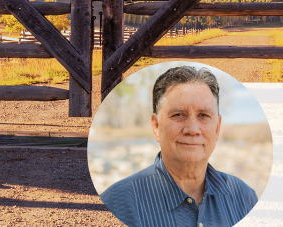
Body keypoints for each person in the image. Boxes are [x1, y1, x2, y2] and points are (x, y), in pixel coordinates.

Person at [100, 66, 258, 227]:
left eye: (203, 115)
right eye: (178, 115)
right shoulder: (116, 204)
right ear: (156, 126)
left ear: (217, 128)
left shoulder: (245, 198)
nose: (192, 129)